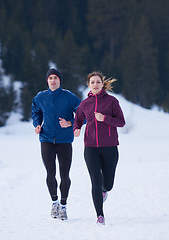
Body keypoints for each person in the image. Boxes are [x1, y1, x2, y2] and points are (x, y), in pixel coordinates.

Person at [73, 71, 125, 225]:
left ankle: (104, 191)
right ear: (88, 85)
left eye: (98, 82)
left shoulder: (112, 102)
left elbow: (121, 122)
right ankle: (99, 216)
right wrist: (76, 129)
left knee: (107, 184)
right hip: (90, 148)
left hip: (110, 147)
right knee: (95, 181)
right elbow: (78, 120)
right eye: (92, 82)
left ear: (102, 84)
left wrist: (105, 119)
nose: (95, 84)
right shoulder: (85, 104)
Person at [31, 68, 81, 220]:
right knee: (50, 173)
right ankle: (55, 203)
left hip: (64, 140)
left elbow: (82, 115)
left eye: (56, 78)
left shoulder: (69, 97)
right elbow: (36, 111)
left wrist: (70, 123)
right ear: (47, 80)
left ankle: (64, 206)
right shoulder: (40, 97)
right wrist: (37, 124)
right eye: (50, 78)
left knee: (64, 174)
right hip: (46, 139)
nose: (53, 80)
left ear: (60, 80)